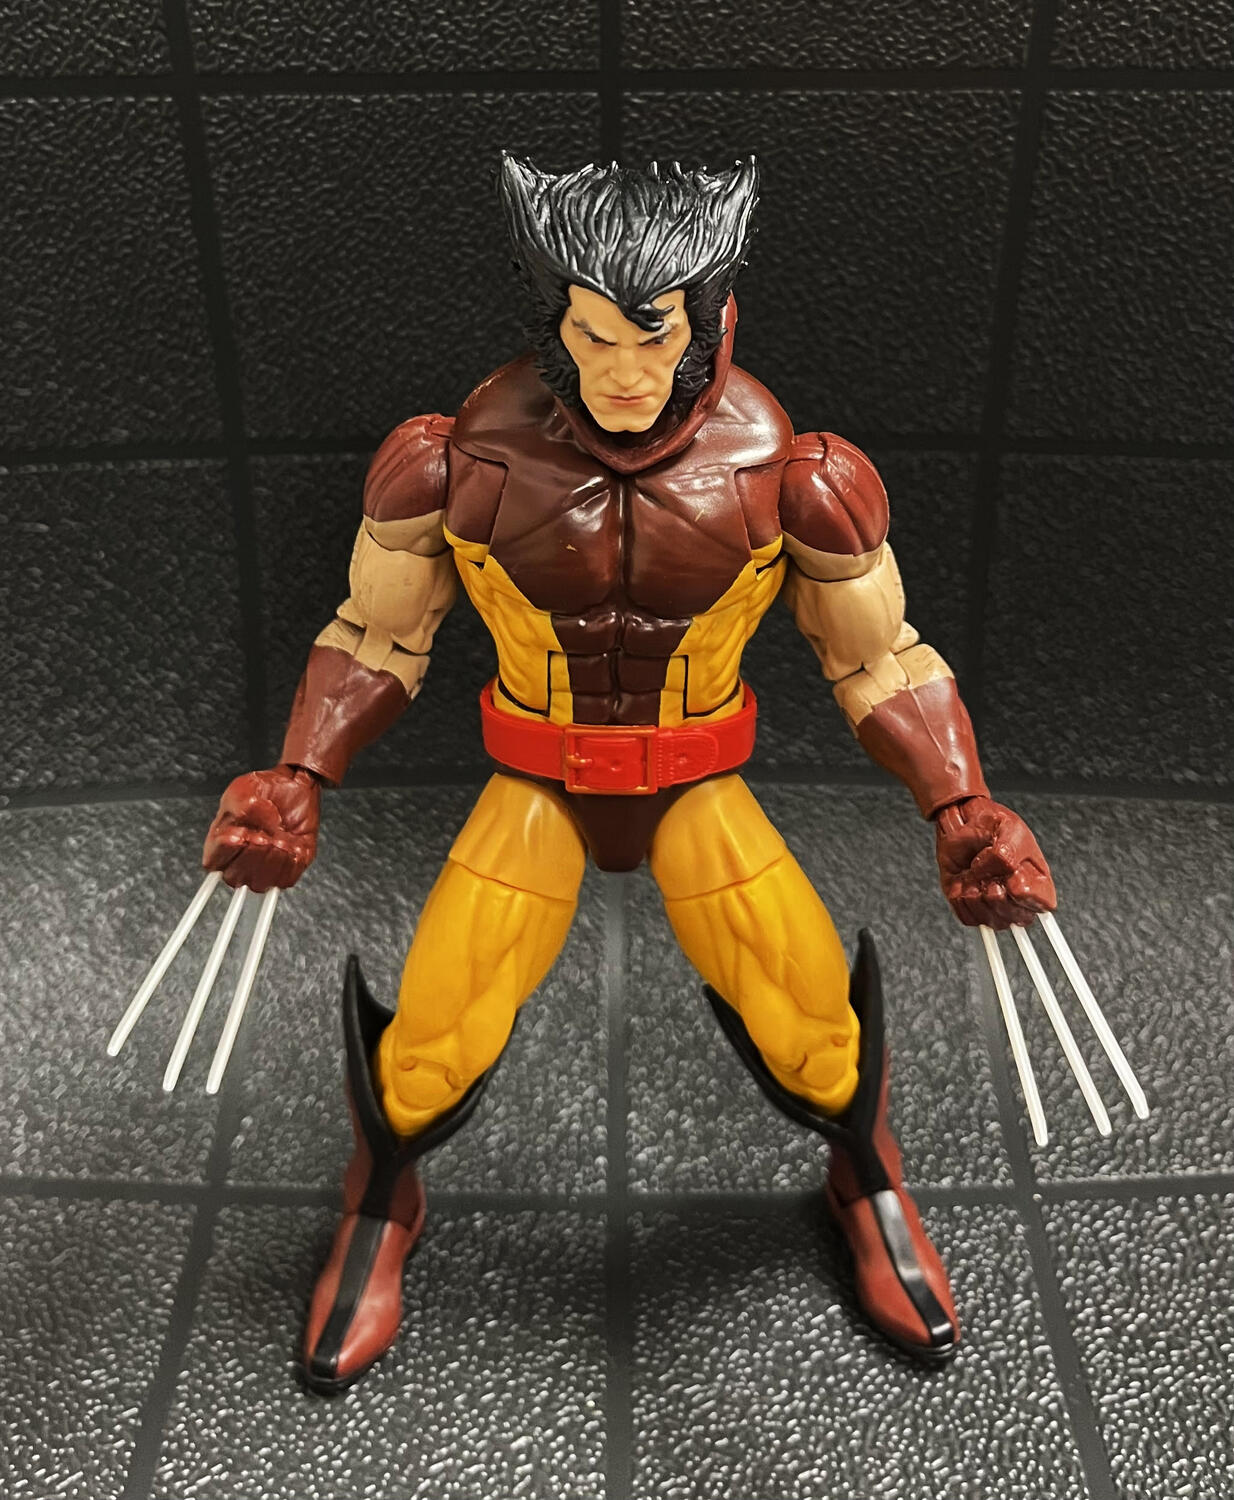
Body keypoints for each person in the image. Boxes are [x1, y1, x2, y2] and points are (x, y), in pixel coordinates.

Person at [202, 156, 1056, 1394]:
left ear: (710, 321)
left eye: (650, 339)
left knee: (814, 1035)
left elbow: (877, 657)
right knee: (430, 1046)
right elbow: (377, 634)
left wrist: (959, 802)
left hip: (692, 780)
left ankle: (867, 1179)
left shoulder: (798, 477)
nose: (619, 374)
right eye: (590, 336)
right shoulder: (451, 462)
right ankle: (380, 1201)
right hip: (538, 784)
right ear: (551, 318)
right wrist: (299, 773)